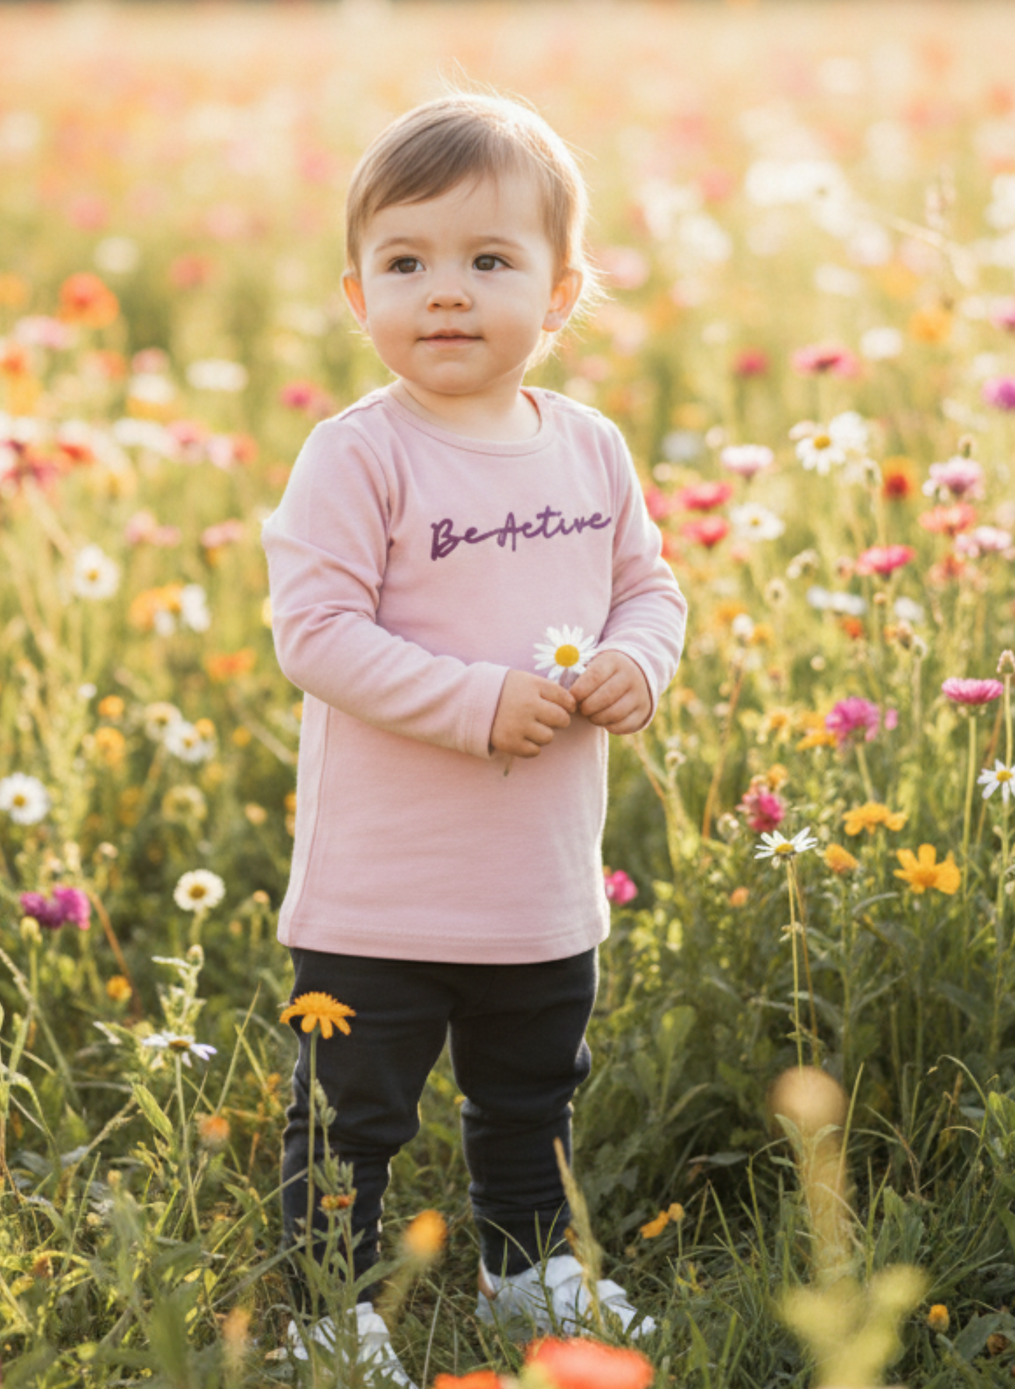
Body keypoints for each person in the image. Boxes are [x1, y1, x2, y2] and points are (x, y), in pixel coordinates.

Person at [261, 93, 688, 1385]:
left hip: (536, 881)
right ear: (357, 293)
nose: (445, 293)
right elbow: (316, 632)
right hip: (378, 891)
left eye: (488, 261)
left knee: (530, 1094)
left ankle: (528, 1265)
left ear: (561, 296)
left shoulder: (591, 449)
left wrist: (636, 663)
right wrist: (477, 702)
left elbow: (650, 587)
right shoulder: (358, 456)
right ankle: (335, 1301)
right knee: (351, 1115)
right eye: (408, 263)